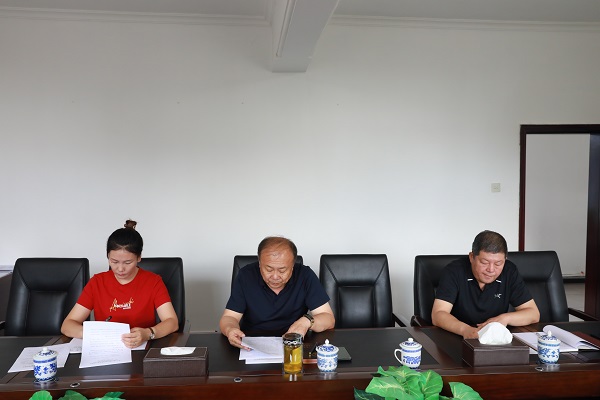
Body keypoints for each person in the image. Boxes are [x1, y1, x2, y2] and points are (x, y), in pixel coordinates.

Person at [61, 220, 178, 348]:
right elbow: (68, 325)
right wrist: (94, 334)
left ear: (139, 257)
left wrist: (148, 333)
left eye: (128, 262)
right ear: (108, 256)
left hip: (141, 349)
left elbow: (172, 322)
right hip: (106, 349)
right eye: (114, 261)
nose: (120, 269)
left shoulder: (153, 282)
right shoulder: (97, 282)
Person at [220, 236, 335, 349]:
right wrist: (230, 329)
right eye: (269, 269)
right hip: (252, 345)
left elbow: (328, 319)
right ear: (259, 264)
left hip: (293, 344)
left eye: (282, 270)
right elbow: (229, 317)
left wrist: (306, 321)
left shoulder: (305, 276)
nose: (275, 276)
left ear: (292, 266)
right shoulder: (246, 275)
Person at [431, 230, 540, 339]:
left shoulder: (509, 271)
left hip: (495, 338)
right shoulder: (454, 271)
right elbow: (438, 314)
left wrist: (505, 318)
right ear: (471, 257)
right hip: (458, 336)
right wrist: (465, 330)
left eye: (498, 263)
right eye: (484, 262)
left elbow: (533, 314)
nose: (491, 270)